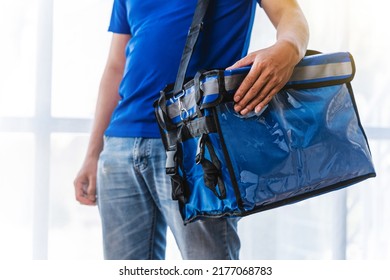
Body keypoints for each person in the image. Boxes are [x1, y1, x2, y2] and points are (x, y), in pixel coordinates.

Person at [74, 0, 309, 260]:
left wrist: (288, 48)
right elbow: (116, 66)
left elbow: (290, 13)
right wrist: (93, 153)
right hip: (120, 145)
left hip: (196, 144)